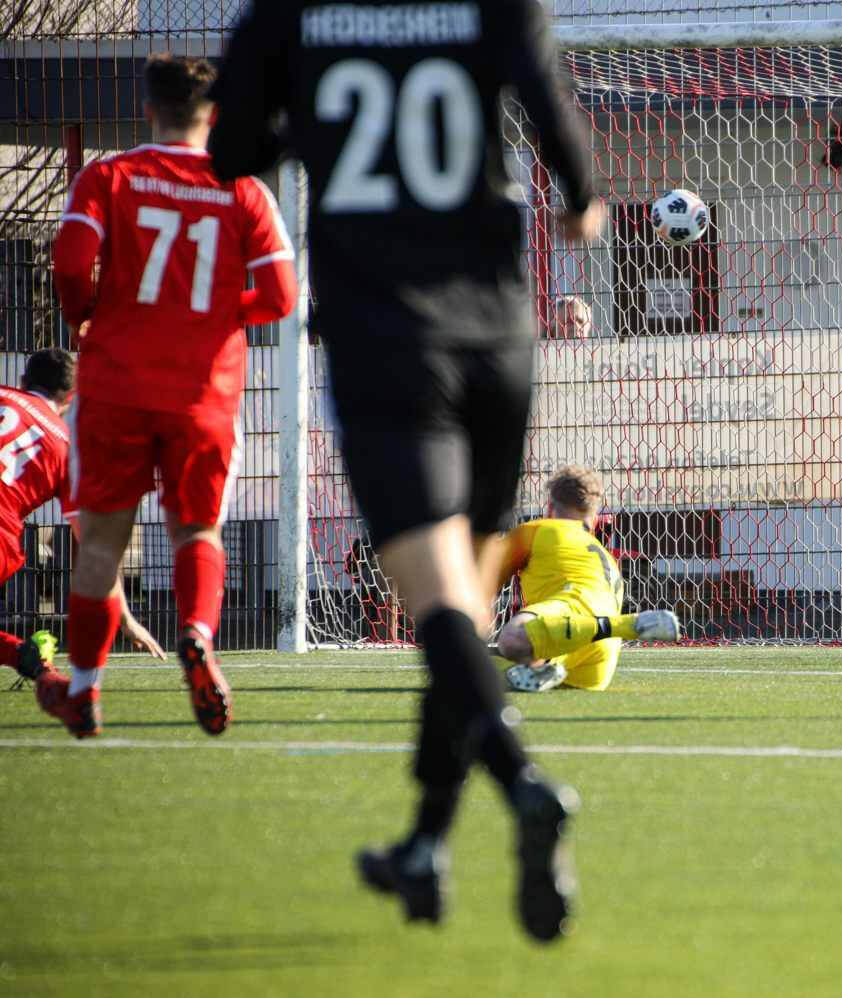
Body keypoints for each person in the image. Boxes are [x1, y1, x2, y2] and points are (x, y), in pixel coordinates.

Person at [208, 0, 636, 939]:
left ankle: (522, 785)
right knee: (466, 600)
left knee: (441, 607)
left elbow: (231, 151)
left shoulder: (291, 13)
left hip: (387, 341)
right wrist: (583, 197)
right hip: (497, 337)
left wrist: (311, 125)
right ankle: (426, 843)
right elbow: (550, 106)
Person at [47, 54, 297, 739]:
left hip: (114, 383)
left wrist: (87, 314)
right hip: (201, 390)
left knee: (102, 543)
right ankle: (196, 635)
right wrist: (213, 312)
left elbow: (69, 260)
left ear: (148, 109)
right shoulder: (243, 188)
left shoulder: (110, 176)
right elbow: (279, 296)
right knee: (197, 530)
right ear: (212, 115)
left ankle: (86, 692)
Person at [0, 350, 163, 691]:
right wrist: (126, 619)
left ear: (23, 382)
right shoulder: (65, 445)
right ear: (71, 398)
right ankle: (30, 660)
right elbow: (94, 548)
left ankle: (26, 657)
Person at [500, 465, 679, 693]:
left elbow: (483, 580)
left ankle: (628, 624)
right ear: (594, 515)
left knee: (513, 640)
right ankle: (545, 667)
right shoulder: (605, 555)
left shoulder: (537, 529)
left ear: (550, 506)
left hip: (573, 618)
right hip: (599, 656)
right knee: (506, 675)